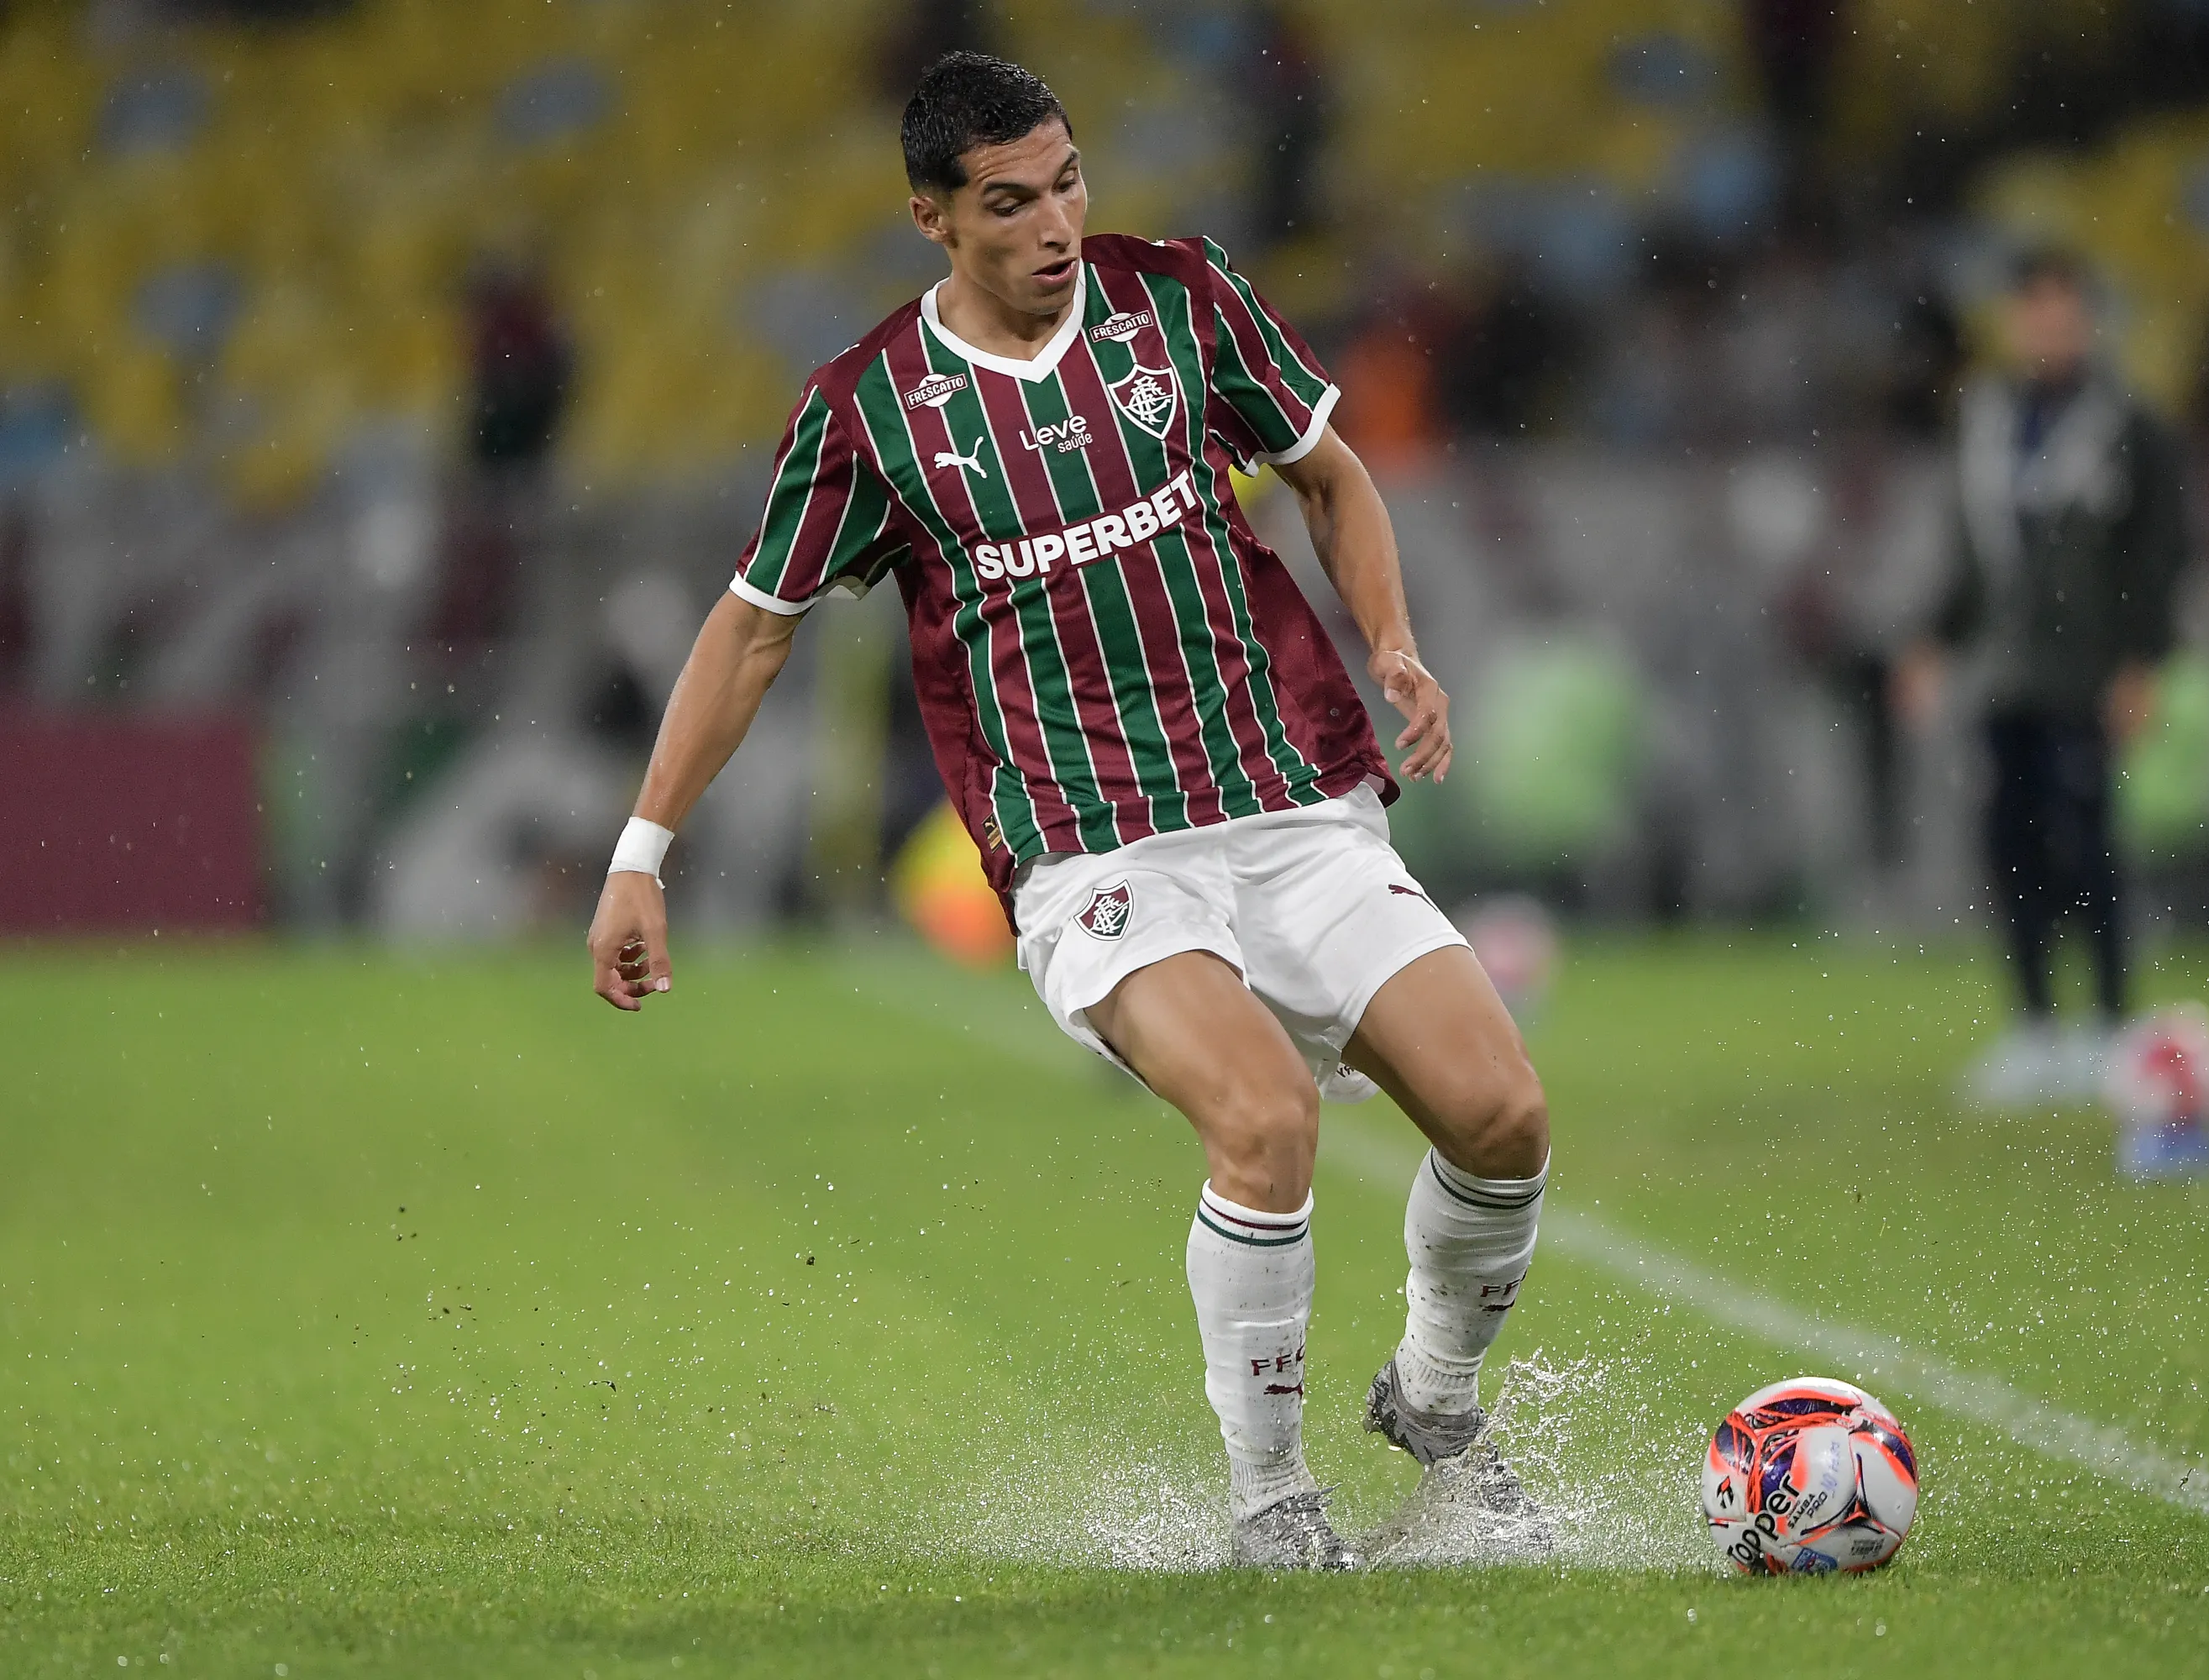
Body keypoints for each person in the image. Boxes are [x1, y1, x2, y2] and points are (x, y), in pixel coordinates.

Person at [582, 53, 1550, 1571]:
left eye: (1069, 182)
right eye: (1009, 203)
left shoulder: (1181, 301)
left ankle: (1432, 1400)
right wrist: (642, 854)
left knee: (1504, 1118)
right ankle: (1272, 1501)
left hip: (1288, 803)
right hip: (1095, 851)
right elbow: (753, 629)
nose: (1055, 224)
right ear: (932, 217)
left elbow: (1332, 478)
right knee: (1264, 1120)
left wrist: (1397, 645)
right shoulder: (870, 411)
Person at [1901, 248, 2190, 1103]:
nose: (2047, 329)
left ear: (2087, 322)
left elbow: (2158, 553)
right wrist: (1935, 638)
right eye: (2033, 312)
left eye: (2062, 314)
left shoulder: (2129, 424)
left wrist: (2141, 660)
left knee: (2089, 846)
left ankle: (2109, 1020)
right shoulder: (1985, 417)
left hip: (2087, 670)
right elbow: (1971, 552)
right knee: (2011, 846)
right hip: (2005, 672)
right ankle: (2034, 1024)